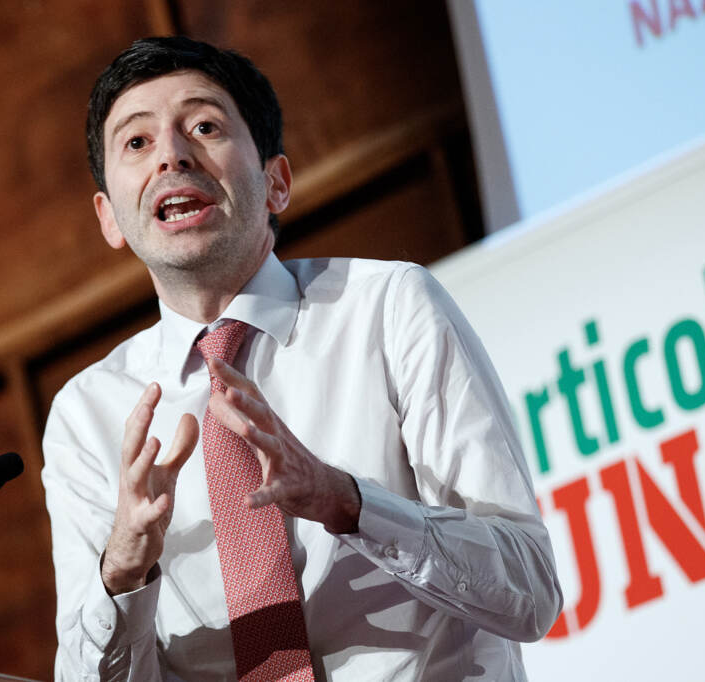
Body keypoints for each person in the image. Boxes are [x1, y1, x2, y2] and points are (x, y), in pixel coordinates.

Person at [42, 36, 562, 682]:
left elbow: (529, 588)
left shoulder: (388, 307)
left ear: (276, 183)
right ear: (110, 220)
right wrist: (123, 571)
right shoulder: (87, 416)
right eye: (137, 142)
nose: (172, 155)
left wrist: (347, 502)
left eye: (204, 127)